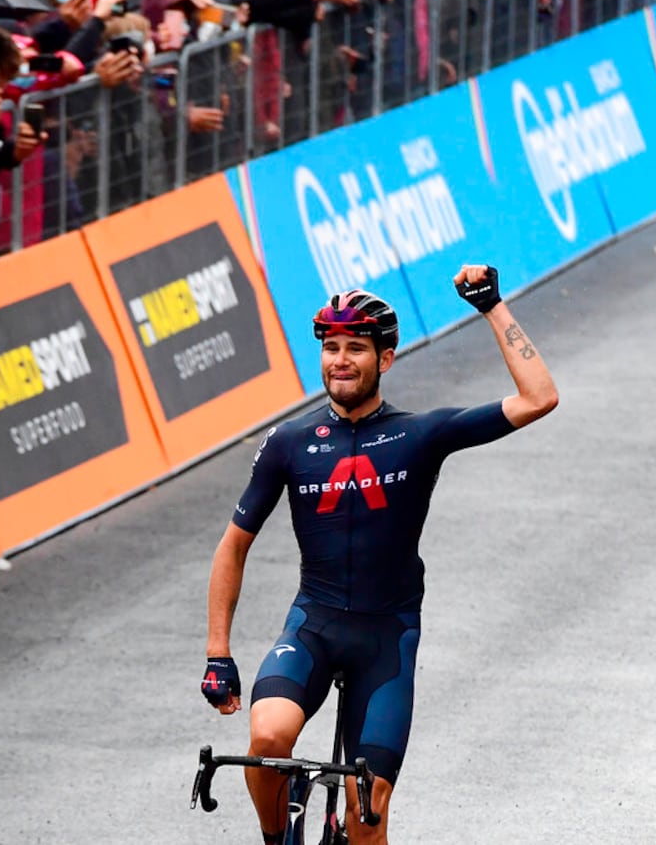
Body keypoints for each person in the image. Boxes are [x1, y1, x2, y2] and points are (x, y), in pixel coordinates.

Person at [201, 265, 558, 845]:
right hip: (314, 625)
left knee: (368, 818)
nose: (340, 360)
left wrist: (492, 306)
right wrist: (218, 653)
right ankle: (278, 838)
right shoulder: (289, 443)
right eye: (331, 348)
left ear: (385, 359)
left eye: (356, 349)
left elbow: (540, 397)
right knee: (266, 741)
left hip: (386, 637)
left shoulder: (421, 435)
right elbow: (233, 545)